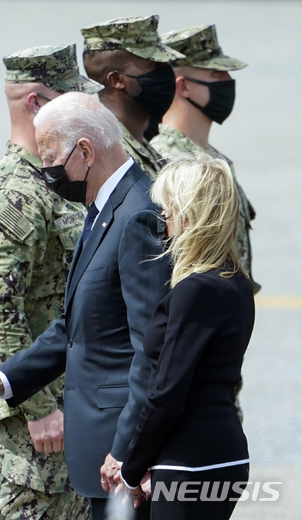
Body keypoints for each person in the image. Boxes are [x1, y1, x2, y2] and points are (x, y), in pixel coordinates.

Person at [0, 93, 171, 520]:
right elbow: (75, 325)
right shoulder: (104, 208)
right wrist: (4, 377)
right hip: (104, 458)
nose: (46, 171)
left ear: (85, 150)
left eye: (50, 159)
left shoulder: (136, 215)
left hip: (121, 459)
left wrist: (131, 451)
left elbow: (152, 350)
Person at [0, 44, 100, 520]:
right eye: (71, 100)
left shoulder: (53, 180)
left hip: (72, 410)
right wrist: (36, 407)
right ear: (36, 105)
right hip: (40, 426)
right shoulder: (12, 192)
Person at [119, 154, 254, 520]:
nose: (163, 215)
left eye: (170, 206)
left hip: (190, 461)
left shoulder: (196, 289)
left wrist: (132, 468)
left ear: (191, 212)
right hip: (225, 451)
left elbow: (167, 393)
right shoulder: (236, 282)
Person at [151, 24, 259, 294]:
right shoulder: (167, 163)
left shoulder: (210, 157)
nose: (226, 81)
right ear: (184, 86)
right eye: (215, 73)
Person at [81, 15, 184, 178]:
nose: (166, 72)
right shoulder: (108, 157)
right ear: (117, 80)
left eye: (164, 64)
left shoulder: (146, 151)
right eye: (154, 64)